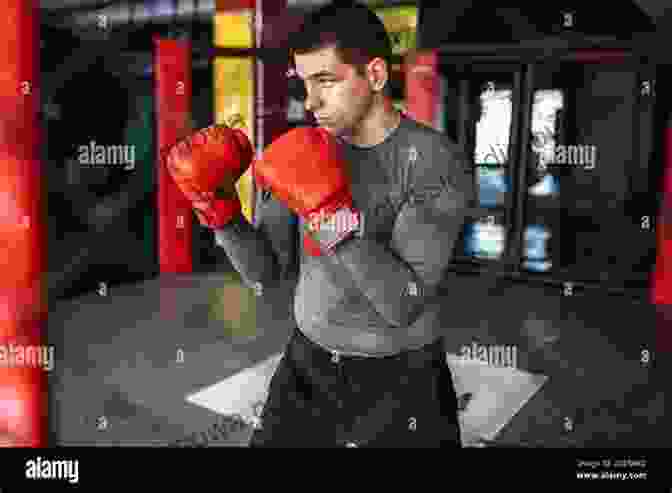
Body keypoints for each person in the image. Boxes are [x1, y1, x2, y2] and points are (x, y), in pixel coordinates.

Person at [164, 1, 475, 447]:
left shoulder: (432, 163)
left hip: (404, 379)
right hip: (305, 366)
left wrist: (329, 216)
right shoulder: (298, 151)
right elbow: (265, 274)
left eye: (326, 81)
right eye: (305, 83)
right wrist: (222, 211)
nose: (310, 101)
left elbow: (402, 305)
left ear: (374, 75)